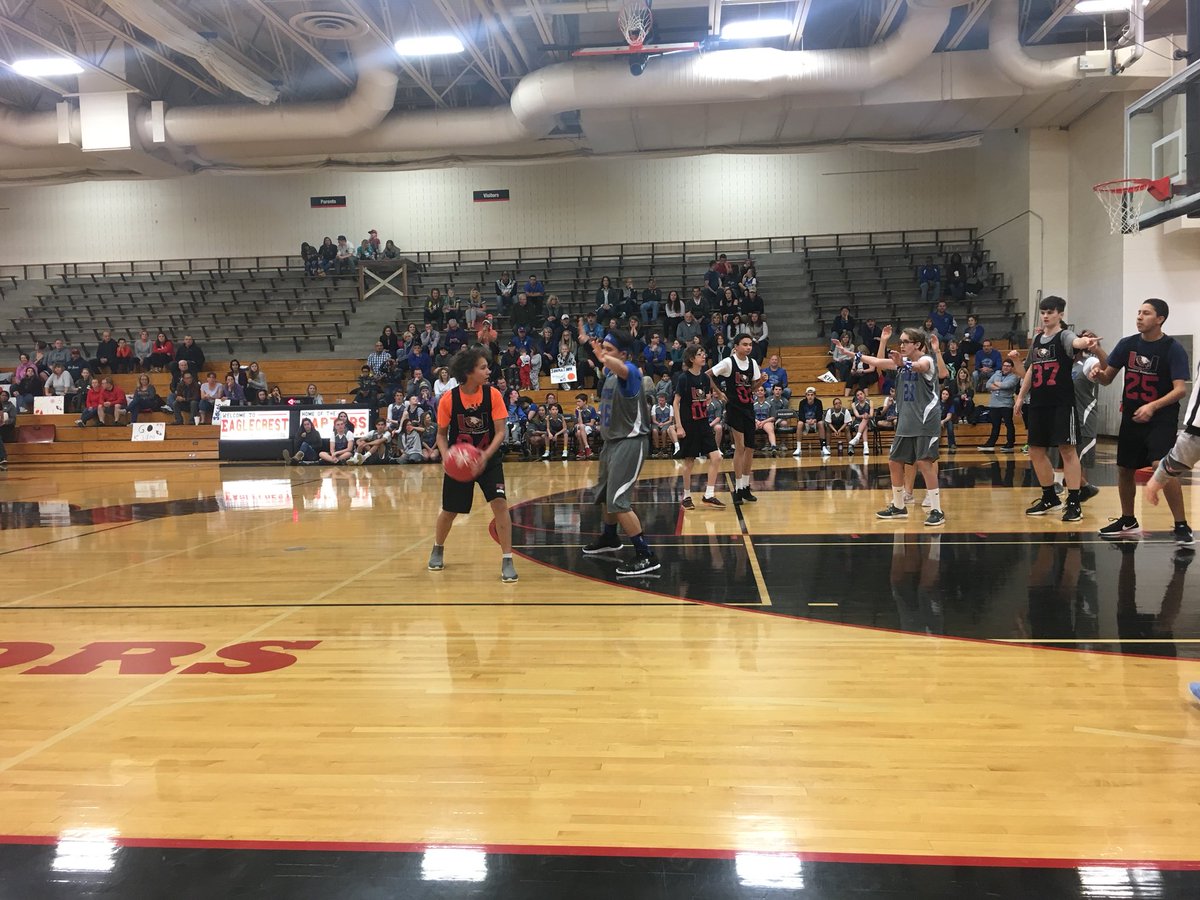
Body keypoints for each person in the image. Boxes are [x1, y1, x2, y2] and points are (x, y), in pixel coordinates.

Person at [1089, 298, 1192, 545]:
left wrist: (1153, 406)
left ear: (1160, 319)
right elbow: (1107, 378)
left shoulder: (1172, 348)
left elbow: (1180, 389)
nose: (1139, 316)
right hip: (1132, 415)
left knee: (1161, 466)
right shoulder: (1128, 344)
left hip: (1161, 417)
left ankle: (1181, 525)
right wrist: (1097, 371)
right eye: (1138, 312)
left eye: (1146, 313)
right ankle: (1128, 520)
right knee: (1125, 468)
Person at [428, 347, 517, 583]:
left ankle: (507, 559)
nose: (488, 371)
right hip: (460, 462)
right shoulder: (449, 399)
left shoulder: (493, 395)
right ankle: (438, 547)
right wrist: (447, 457)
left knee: (500, 504)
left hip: (488, 458)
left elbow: (500, 432)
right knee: (450, 510)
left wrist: (484, 456)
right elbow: (441, 435)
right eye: (483, 367)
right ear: (469, 372)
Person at [576, 323, 659, 576]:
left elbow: (621, 368)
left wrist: (603, 356)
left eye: (610, 350)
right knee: (605, 495)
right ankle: (610, 537)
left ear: (624, 354)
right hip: (611, 443)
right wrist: (590, 345)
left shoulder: (631, 372)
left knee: (618, 500)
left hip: (630, 442)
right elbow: (605, 366)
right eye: (604, 348)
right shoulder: (610, 373)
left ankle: (646, 554)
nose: (604, 353)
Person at [1019, 295, 1100, 523]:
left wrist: (1085, 342)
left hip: (1061, 403)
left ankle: (1073, 502)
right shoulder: (1037, 339)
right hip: (1039, 403)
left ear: (1060, 314)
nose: (1046, 316)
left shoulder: (1064, 335)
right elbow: (1032, 369)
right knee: (1035, 450)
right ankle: (1049, 497)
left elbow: (1076, 342)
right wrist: (1021, 396)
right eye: (1043, 312)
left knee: (1067, 450)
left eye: (1050, 312)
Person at [857, 326, 946, 527]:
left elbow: (921, 366)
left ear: (917, 344)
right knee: (894, 462)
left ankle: (936, 510)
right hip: (906, 421)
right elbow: (877, 362)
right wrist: (851, 354)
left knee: (924, 462)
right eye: (901, 342)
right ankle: (898, 506)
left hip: (925, 421)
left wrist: (903, 363)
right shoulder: (902, 363)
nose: (902, 345)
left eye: (906, 342)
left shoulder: (927, 360)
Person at [708, 333, 763, 503]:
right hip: (734, 408)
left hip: (749, 408)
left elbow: (752, 388)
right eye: (745, 344)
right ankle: (738, 488)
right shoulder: (728, 362)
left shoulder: (753, 363)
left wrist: (761, 382)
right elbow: (707, 375)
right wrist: (719, 393)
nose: (748, 347)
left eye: (750, 344)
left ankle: (745, 486)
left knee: (750, 448)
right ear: (736, 346)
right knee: (740, 447)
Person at [672, 345, 726, 510]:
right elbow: (676, 403)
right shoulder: (684, 378)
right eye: (699, 354)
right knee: (689, 461)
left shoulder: (705, 378)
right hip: (689, 424)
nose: (704, 356)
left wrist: (712, 398)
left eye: (704, 353)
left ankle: (708, 495)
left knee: (716, 457)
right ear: (691, 359)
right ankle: (686, 496)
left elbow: (706, 395)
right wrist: (679, 426)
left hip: (703, 423)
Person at [978, 358, 1021, 452]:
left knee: (1008, 424)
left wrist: (995, 384)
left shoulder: (1014, 377)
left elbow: (1007, 385)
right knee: (995, 425)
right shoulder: (997, 373)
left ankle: (1010, 443)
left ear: (1012, 368)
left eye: (1008, 366)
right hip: (994, 404)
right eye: (1004, 365)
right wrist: (998, 385)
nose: (1006, 367)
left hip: (1006, 404)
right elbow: (988, 384)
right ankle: (991, 443)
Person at [793, 386, 827, 458]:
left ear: (815, 395)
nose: (810, 397)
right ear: (806, 395)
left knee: (821, 423)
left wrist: (814, 420)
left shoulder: (818, 402)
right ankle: (798, 448)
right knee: (799, 423)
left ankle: (823, 447)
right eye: (808, 395)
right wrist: (806, 421)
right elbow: (801, 415)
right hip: (805, 422)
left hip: (815, 422)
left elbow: (820, 415)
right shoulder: (802, 403)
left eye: (812, 395)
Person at [650, 393, 678, 459]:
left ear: (665, 400)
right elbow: (653, 420)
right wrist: (659, 423)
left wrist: (663, 424)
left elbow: (670, 420)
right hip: (656, 422)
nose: (661, 402)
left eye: (662, 400)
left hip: (666, 422)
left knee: (664, 431)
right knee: (654, 430)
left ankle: (664, 447)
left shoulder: (670, 407)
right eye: (659, 400)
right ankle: (657, 448)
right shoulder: (654, 407)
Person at [847, 389, 873, 456]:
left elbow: (871, 415)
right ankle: (866, 447)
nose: (860, 396)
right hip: (858, 421)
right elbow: (857, 415)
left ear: (864, 394)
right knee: (865, 426)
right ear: (856, 397)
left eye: (861, 394)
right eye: (858, 395)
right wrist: (864, 415)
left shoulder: (870, 402)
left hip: (869, 420)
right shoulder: (854, 404)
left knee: (865, 419)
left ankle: (857, 437)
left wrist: (867, 415)